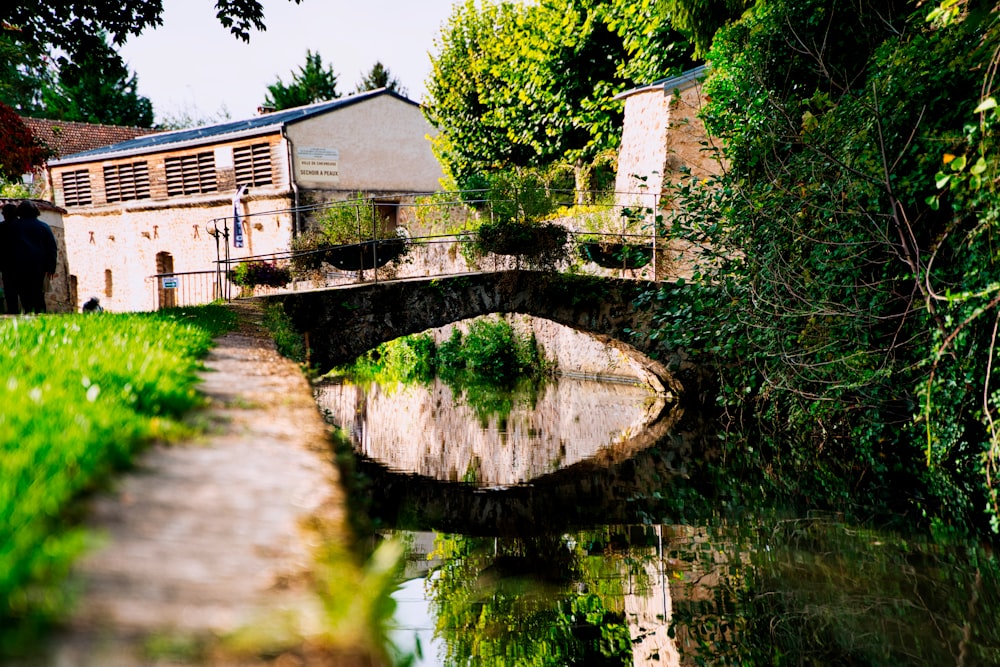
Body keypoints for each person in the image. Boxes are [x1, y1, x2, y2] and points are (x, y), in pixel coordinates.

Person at [5, 201, 58, 314]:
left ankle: (29, 313)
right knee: (38, 293)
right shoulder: (44, 227)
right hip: (38, 267)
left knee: (24, 294)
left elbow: (7, 248)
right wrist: (51, 268)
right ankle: (40, 315)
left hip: (18, 266)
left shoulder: (12, 227)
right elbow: (51, 248)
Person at [0, 203, 18, 313]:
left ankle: (13, 311)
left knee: (10, 291)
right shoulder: (22, 225)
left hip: (7, 264)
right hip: (23, 263)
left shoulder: (1, 227)